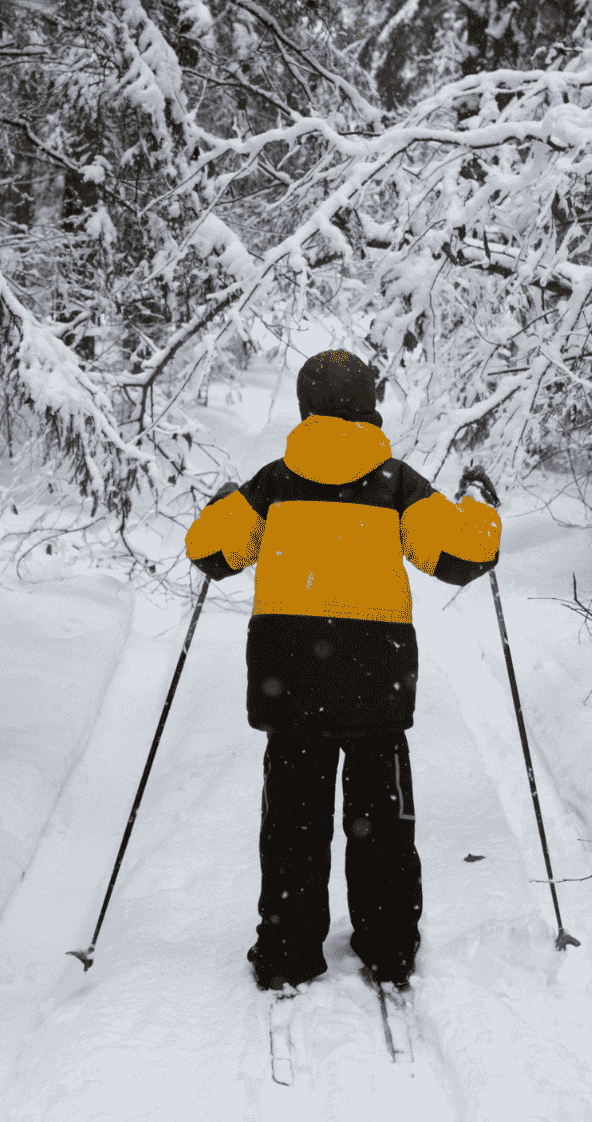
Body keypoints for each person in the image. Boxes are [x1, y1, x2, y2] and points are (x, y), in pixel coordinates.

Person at [185, 349, 502, 991]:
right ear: (368, 405)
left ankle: (287, 947)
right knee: (381, 823)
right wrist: (478, 501)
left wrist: (223, 502)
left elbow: (210, 548)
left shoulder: (273, 484)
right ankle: (387, 946)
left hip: (290, 680)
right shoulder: (396, 485)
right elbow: (467, 553)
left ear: (306, 406)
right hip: (373, 683)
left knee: (294, 822)